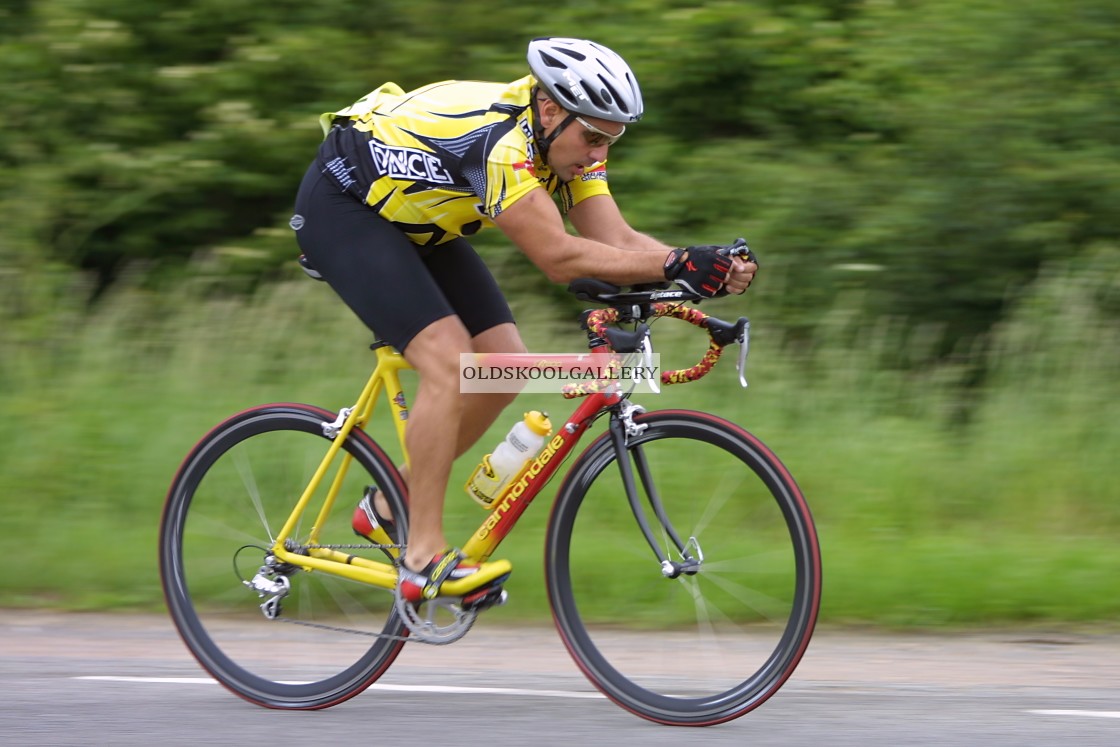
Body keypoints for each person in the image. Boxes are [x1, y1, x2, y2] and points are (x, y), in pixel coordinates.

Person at [290, 37, 757, 606]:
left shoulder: (570, 140)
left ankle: (388, 506)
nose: (597, 153)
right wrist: (674, 262)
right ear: (552, 110)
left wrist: (695, 276)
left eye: (611, 140)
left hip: (420, 219)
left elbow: (617, 243)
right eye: (593, 137)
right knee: (449, 364)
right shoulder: (502, 147)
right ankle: (422, 559)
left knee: (504, 370)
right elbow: (558, 257)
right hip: (346, 207)